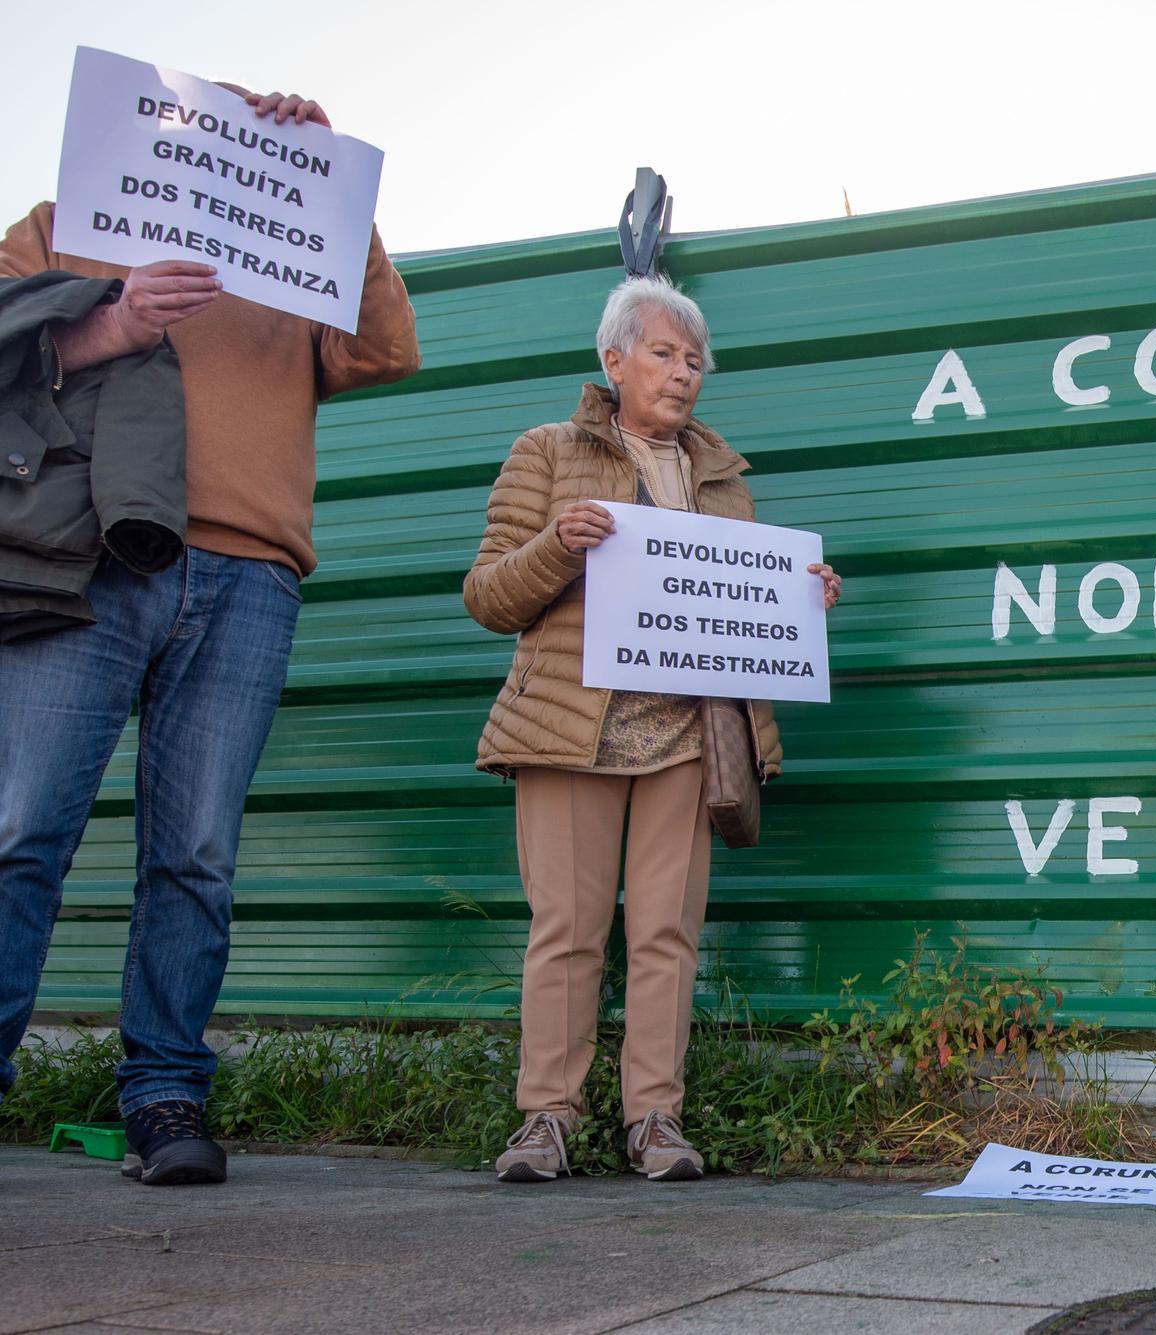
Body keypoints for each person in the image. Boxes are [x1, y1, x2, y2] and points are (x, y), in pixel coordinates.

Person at [0, 86, 421, 1185]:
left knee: (194, 855)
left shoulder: (294, 247)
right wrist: (111, 322)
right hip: (82, 560)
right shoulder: (62, 222)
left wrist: (336, 183)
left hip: (249, 576)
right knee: (20, 831)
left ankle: (166, 1095)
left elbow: (387, 351)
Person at [463, 275, 841, 1184]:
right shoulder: (547, 451)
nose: (682, 373)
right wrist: (557, 543)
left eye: (694, 359)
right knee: (567, 926)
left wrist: (800, 598)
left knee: (668, 929)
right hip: (570, 731)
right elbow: (486, 596)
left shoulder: (722, 479)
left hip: (686, 737)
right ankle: (546, 1118)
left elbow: (741, 606)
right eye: (664, 353)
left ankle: (654, 1119)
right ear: (614, 359)